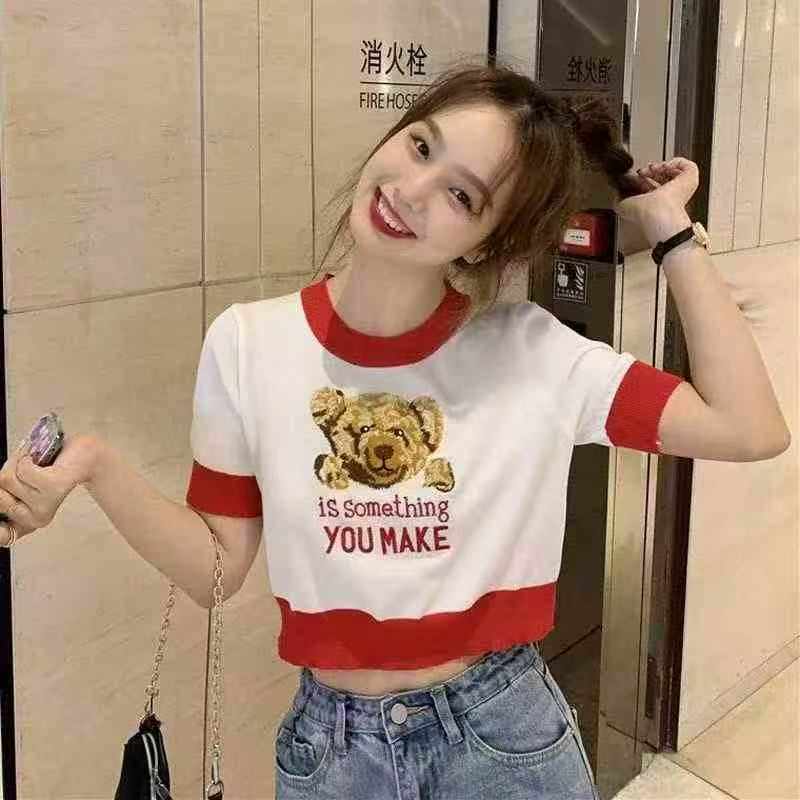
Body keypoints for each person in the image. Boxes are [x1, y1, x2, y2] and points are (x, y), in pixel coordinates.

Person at [0, 62, 790, 799]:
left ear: (489, 241)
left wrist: (670, 230)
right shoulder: (247, 344)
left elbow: (749, 426)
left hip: (501, 736)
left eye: (461, 196)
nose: (411, 190)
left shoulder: (532, 354)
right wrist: (95, 467)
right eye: (420, 146)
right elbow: (216, 572)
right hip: (332, 750)